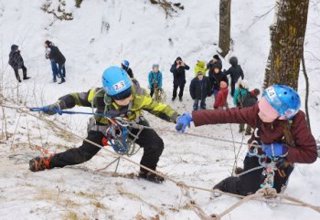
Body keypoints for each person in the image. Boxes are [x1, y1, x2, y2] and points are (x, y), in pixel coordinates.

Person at [29, 66, 180, 183]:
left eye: (128, 94)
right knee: (83, 154)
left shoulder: (139, 95)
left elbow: (159, 108)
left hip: (132, 123)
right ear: (109, 94)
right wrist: (59, 105)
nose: (127, 100)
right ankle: (49, 162)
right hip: (103, 127)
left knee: (156, 144)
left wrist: (177, 118)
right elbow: (75, 98)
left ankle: (147, 171)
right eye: (120, 98)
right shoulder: (98, 96)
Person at [176, 84, 317, 196]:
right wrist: (193, 117)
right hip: (258, 155)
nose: (260, 113)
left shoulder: (297, 122)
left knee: (275, 191)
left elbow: (310, 154)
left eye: (266, 113)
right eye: (261, 107)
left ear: (281, 116)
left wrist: (284, 151)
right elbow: (227, 115)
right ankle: (227, 184)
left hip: (282, 162)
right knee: (247, 190)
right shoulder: (257, 111)